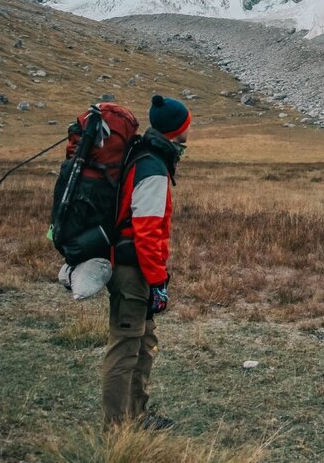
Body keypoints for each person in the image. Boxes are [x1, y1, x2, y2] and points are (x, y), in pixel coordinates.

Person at [101, 94, 191, 429]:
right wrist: (157, 282)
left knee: (142, 341)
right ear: (175, 132)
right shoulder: (152, 166)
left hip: (132, 266)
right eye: (186, 129)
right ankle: (116, 428)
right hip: (133, 270)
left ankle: (136, 415)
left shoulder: (146, 156)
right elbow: (148, 232)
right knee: (126, 346)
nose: (188, 136)